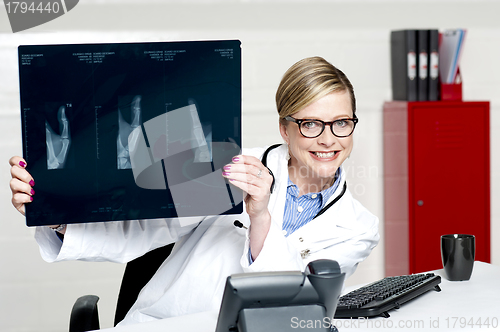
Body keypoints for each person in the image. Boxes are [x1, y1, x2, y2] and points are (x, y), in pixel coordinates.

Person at [9, 56, 379, 326]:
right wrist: (56, 214)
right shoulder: (230, 166)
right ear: (285, 128)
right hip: (172, 323)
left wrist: (261, 216)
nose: (329, 139)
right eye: (311, 123)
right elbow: (142, 230)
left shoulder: (358, 227)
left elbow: (292, 308)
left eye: (341, 122)